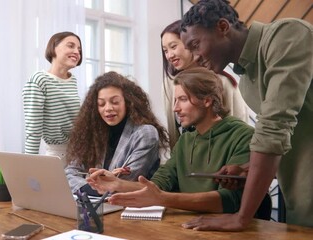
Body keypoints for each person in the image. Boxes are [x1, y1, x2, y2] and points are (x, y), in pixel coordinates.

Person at [179, 0, 313, 230]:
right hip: (300, 203)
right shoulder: (246, 84)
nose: (195, 57)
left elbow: (274, 127)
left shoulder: (288, 34)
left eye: (195, 44)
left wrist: (242, 217)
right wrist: (247, 169)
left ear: (223, 27)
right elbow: (291, 136)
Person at [87, 68, 254, 213]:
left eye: (182, 99)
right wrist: (116, 184)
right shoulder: (185, 140)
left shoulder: (242, 135)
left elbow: (229, 200)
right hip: (188, 227)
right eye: (175, 100)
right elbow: (158, 186)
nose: (175, 108)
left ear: (207, 100)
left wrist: (163, 199)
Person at [65, 71, 169, 196]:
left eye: (114, 102)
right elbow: (69, 172)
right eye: (101, 104)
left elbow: (124, 183)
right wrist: (91, 187)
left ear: (129, 102)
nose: (108, 108)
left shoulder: (145, 133)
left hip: (130, 206)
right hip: (97, 203)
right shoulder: (93, 132)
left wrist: (94, 184)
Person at [161, 19, 251, 148]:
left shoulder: (224, 82)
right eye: (165, 50)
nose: (169, 55)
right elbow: (174, 132)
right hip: (184, 162)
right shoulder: (169, 84)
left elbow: (240, 129)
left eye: (173, 46)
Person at [22, 31, 82, 159]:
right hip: (58, 156)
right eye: (71, 46)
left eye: (79, 49)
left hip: (80, 153)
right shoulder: (39, 80)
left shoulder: (72, 80)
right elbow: (33, 129)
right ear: (53, 48)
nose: (77, 52)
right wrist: (29, 165)